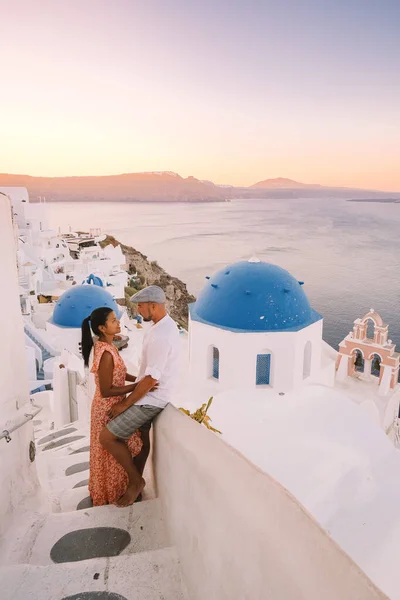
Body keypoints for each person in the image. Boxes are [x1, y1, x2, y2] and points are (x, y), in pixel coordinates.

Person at [99, 285, 181, 506]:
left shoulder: (162, 335)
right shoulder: (159, 327)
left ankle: (136, 482)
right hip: (147, 395)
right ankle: (135, 489)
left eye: (141, 306)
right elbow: (148, 373)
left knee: (107, 437)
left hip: (151, 400)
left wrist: (124, 404)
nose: (138, 310)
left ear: (153, 306)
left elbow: (152, 378)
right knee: (142, 443)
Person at [81, 307, 143, 506]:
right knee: (112, 452)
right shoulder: (105, 352)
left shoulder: (108, 346)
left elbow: (119, 373)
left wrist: (140, 379)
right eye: (113, 320)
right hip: (107, 408)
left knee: (113, 452)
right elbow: (107, 389)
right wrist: (139, 387)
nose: (118, 323)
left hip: (110, 405)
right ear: (101, 327)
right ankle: (118, 490)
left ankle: (119, 489)